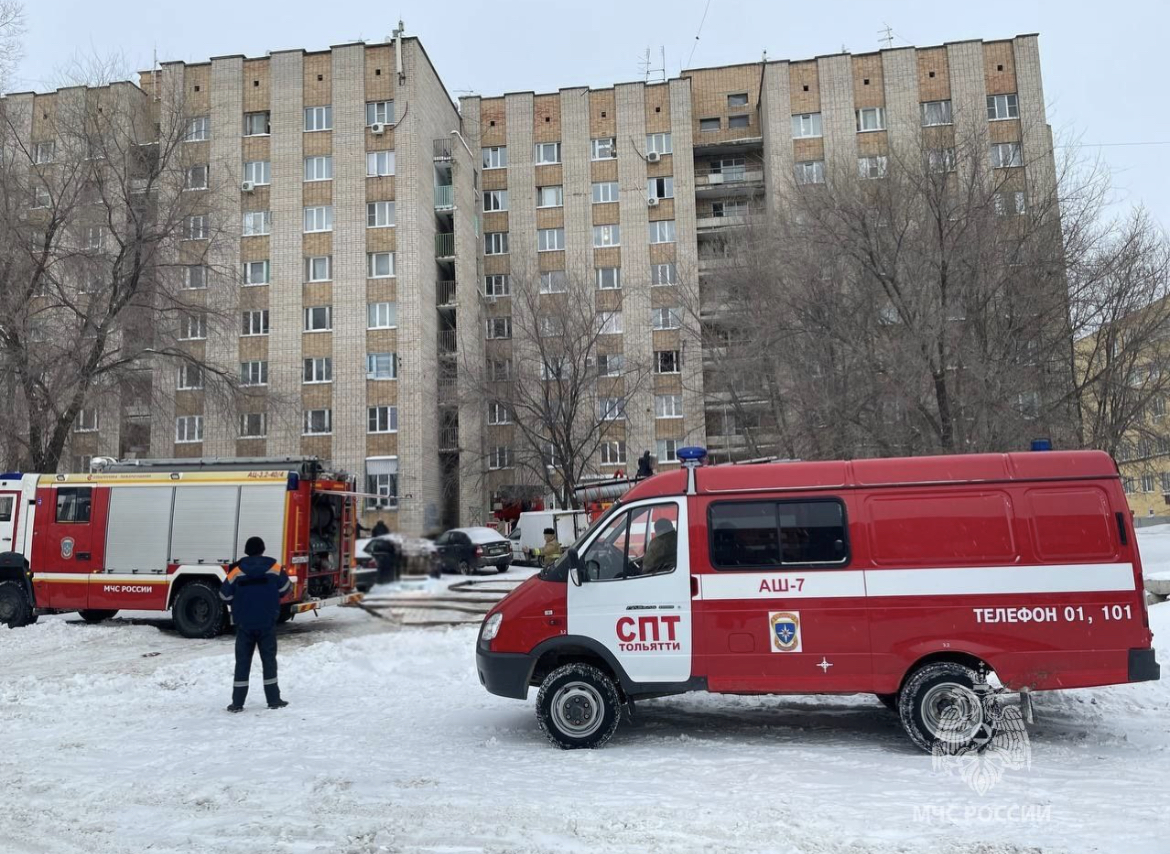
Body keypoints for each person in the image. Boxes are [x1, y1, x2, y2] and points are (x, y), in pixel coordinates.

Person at [220, 536, 291, 713]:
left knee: (242, 663)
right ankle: (274, 699)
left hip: (244, 624)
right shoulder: (274, 567)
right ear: (263, 549)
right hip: (267, 622)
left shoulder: (237, 570)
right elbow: (286, 588)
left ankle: (237, 703)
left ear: (246, 551)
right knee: (269, 661)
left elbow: (224, 595)